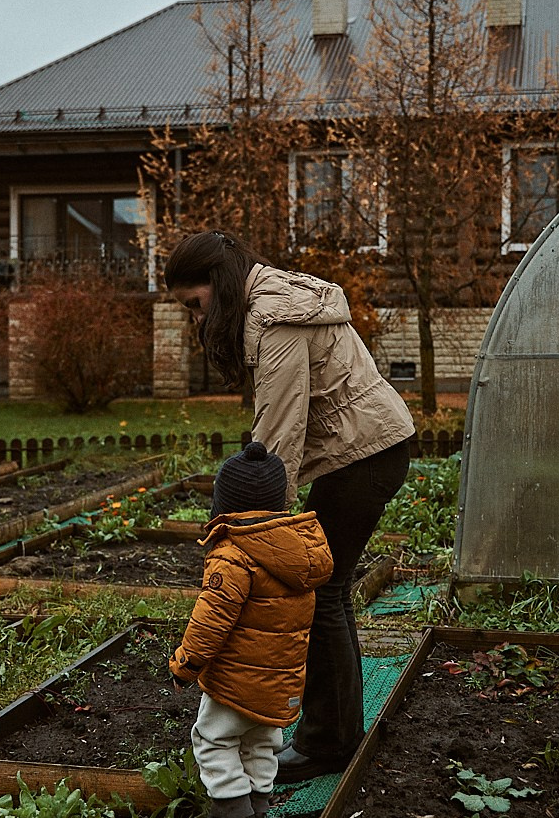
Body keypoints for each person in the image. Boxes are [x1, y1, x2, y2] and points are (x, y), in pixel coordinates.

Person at [166, 230, 415, 782]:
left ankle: (328, 743)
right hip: (370, 448)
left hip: (363, 456)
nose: (196, 321)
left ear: (218, 284)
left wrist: (255, 532)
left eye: (194, 305)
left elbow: (279, 435)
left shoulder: (274, 319)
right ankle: (337, 733)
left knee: (317, 587)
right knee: (332, 588)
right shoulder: (278, 298)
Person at [170, 439, 334, 818]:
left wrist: (185, 665)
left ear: (225, 504)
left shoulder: (233, 554)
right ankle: (258, 813)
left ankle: (230, 813)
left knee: (211, 739)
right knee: (262, 741)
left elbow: (210, 621)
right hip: (281, 677)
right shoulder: (298, 552)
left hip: (235, 680)